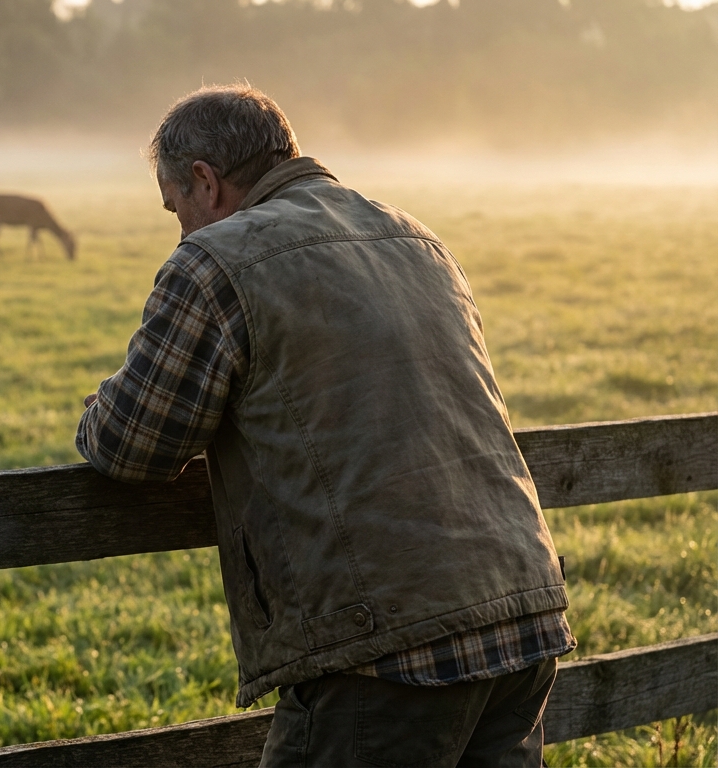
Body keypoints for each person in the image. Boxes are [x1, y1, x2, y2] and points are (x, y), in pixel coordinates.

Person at [76, 85, 575, 767]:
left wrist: (95, 406)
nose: (181, 229)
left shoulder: (216, 259)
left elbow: (129, 445)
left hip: (389, 644)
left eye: (175, 207)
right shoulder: (417, 238)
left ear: (205, 181)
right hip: (523, 611)